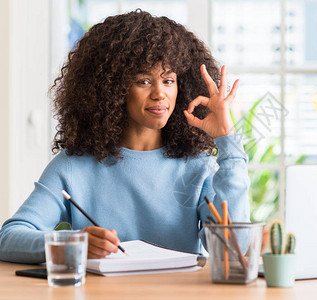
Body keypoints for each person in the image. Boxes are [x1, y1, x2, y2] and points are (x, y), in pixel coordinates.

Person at [0, 10, 250, 263]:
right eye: (143, 81)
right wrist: (75, 243)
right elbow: (9, 238)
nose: (159, 94)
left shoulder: (198, 167)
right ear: (113, 89)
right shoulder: (73, 166)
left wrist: (227, 142)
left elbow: (233, 249)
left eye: (168, 80)